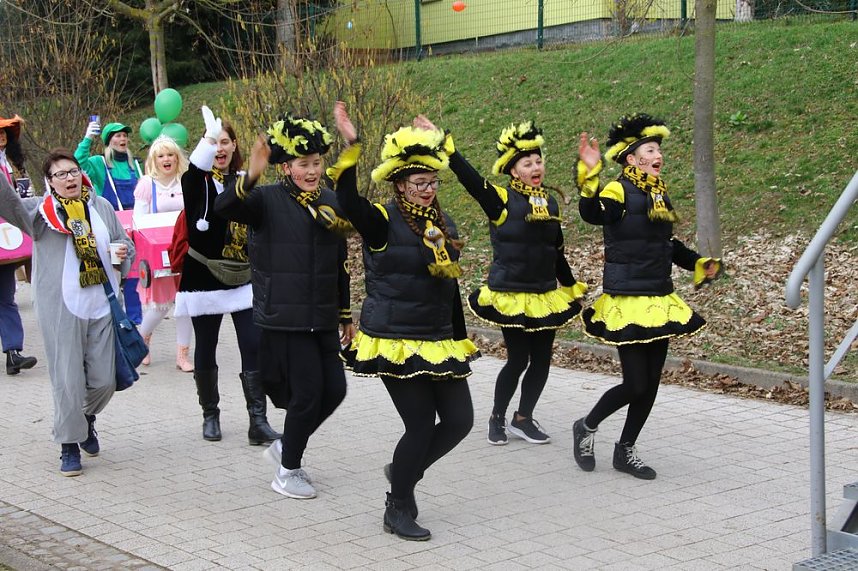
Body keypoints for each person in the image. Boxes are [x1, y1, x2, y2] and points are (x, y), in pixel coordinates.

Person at [333, 103, 478, 541]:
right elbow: (346, 200)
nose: (428, 189)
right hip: (394, 338)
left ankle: (403, 471)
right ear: (399, 184)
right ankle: (397, 507)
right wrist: (352, 147)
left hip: (437, 338)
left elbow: (448, 287)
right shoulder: (380, 221)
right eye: (419, 183)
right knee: (419, 426)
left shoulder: (442, 222)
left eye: (432, 182)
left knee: (460, 421)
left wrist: (458, 336)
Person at [416, 117, 587, 446]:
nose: (536, 166)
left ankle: (523, 418)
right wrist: (446, 146)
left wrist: (570, 287)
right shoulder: (500, 200)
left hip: (544, 294)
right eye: (527, 162)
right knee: (518, 359)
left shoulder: (549, 202)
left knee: (542, 360)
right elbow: (470, 180)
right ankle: (497, 416)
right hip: (510, 292)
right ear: (513, 170)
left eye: (539, 160)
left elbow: (557, 250)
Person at [214, 111, 355, 501]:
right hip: (286, 317)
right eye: (302, 164)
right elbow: (225, 207)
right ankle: (288, 470)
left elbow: (340, 261)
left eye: (316, 163)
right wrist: (251, 175)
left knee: (336, 391)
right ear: (286, 166)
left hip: (323, 316)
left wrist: (344, 312)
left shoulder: (329, 201)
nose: (311, 171)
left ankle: (286, 445)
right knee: (308, 394)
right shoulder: (265, 200)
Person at [572, 113, 721, 480]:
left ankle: (625, 450)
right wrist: (588, 177)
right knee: (635, 383)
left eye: (658, 150)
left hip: (658, 296)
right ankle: (587, 426)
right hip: (626, 299)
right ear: (631, 158)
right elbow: (592, 215)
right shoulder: (616, 190)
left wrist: (697, 262)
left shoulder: (658, 192)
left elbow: (665, 244)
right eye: (650, 150)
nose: (658, 155)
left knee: (651, 384)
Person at [0, 149, 134, 476]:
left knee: (104, 380)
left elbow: (124, 242)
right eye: (60, 174)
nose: (69, 178)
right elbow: (8, 205)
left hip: (101, 305)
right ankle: (68, 445)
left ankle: (85, 419)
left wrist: (122, 251)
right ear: (49, 182)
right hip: (62, 308)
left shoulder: (100, 206)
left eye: (72, 171)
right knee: (68, 380)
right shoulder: (41, 213)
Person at [175, 106, 280, 446]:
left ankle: (258, 421)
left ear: (235, 146)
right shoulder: (195, 183)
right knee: (206, 344)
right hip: (204, 274)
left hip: (242, 276)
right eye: (213, 143)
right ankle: (210, 414)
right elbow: (194, 170)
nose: (219, 149)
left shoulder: (245, 184)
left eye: (225, 142)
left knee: (253, 344)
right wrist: (206, 140)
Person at [132, 135, 193, 372]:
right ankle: (141, 342)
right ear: (154, 160)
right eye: (161, 156)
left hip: (185, 250)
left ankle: (182, 355)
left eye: (170, 155)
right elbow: (139, 221)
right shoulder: (147, 184)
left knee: (186, 304)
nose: (166, 159)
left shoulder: (186, 181)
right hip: (158, 253)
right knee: (159, 306)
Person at [75, 118, 143, 325]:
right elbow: (78, 162)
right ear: (108, 141)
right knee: (113, 272)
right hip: (110, 225)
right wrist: (87, 138)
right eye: (117, 136)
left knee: (133, 270)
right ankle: (111, 314)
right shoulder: (99, 162)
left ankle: (134, 319)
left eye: (125, 135)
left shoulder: (136, 165)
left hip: (135, 225)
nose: (123, 139)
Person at [0, 114, 37, 375]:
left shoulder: (11, 165)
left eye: (5, 133)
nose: (2, 136)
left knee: (6, 297)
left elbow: (19, 198)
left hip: (6, 240)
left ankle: (13, 352)